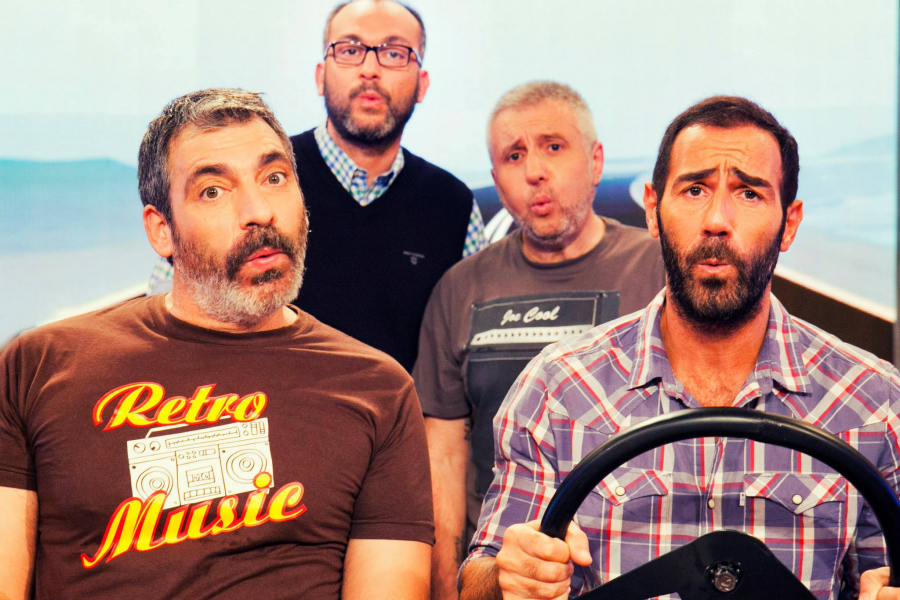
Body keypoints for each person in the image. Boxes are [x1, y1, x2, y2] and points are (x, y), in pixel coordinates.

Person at [456, 95, 900, 600]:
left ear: (790, 224)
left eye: (749, 193)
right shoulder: (557, 390)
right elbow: (481, 581)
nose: (717, 219)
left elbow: (885, 575)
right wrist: (509, 578)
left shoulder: (875, 404)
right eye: (694, 190)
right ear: (652, 209)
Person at [0, 88, 433, 600]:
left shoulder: (378, 390)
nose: (259, 211)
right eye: (212, 190)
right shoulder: (40, 365)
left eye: (274, 178)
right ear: (161, 230)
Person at [414, 81, 665, 600]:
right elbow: (443, 460)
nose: (534, 171)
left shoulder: (660, 269)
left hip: (638, 565)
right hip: (504, 575)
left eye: (553, 146)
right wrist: (449, 592)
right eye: (514, 155)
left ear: (595, 161)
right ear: (496, 180)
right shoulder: (460, 288)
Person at [148, 0, 485, 374]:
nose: (370, 70)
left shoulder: (452, 205)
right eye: (350, 50)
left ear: (422, 84)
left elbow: (469, 354)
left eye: (394, 53)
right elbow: (166, 316)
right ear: (320, 76)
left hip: (399, 408)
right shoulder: (255, 179)